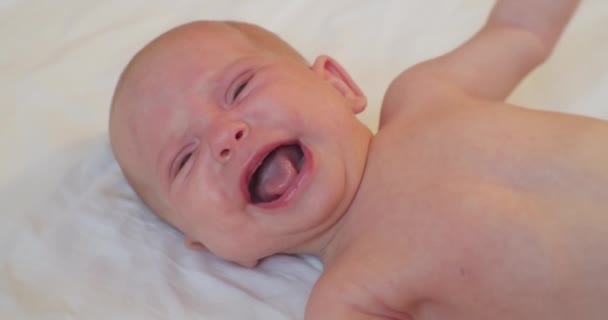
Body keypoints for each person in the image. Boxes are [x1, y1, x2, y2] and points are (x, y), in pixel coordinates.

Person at [109, 0, 608, 318]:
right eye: (184, 158)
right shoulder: (348, 299)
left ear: (337, 83)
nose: (224, 134)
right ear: (209, 244)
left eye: (240, 87)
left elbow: (521, 29)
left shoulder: (426, 97)